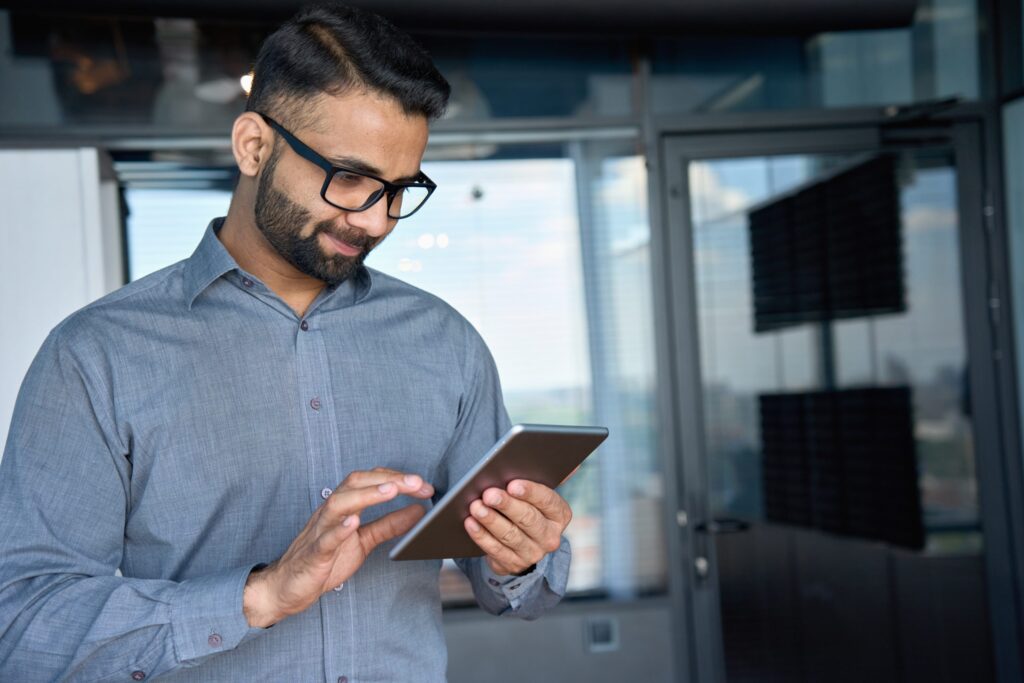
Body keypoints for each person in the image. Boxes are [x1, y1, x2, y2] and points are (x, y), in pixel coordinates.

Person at [0, 3, 573, 681]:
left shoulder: (446, 343)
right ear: (253, 145)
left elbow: (518, 588)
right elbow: (24, 625)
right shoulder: (95, 356)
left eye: (399, 190)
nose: (376, 220)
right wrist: (259, 594)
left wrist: (525, 553)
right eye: (350, 178)